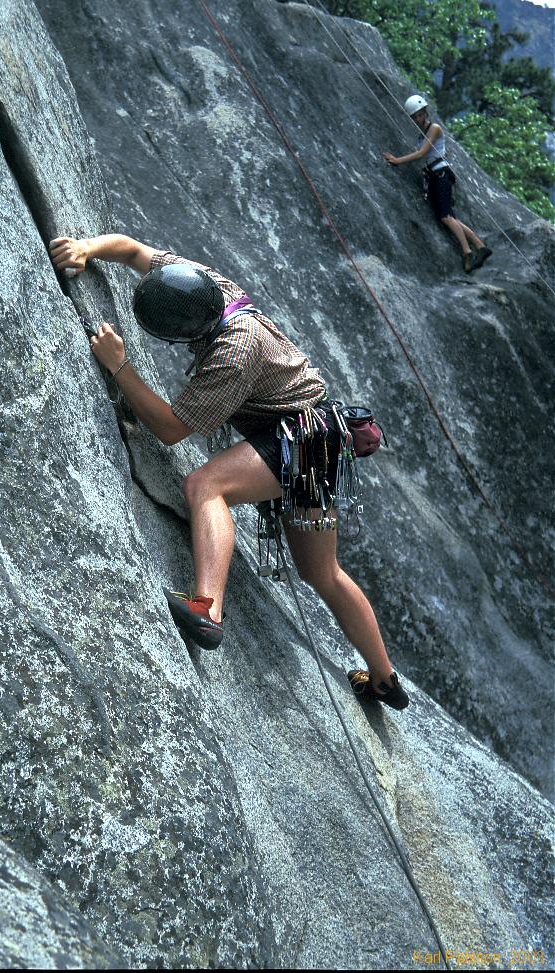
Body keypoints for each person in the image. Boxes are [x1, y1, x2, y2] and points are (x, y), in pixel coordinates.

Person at [48, 233, 409, 710]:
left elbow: (170, 428)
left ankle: (208, 609)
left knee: (206, 486)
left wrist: (120, 367)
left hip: (298, 439)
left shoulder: (232, 355)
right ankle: (383, 679)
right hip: (321, 439)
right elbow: (133, 250)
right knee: (323, 573)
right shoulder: (203, 284)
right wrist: (87, 248)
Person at [383, 95, 492, 274]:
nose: (418, 118)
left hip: (441, 174)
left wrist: (397, 160)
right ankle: (480, 246)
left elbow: (422, 153)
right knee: (450, 217)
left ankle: (467, 251)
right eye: (414, 117)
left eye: (420, 115)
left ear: (425, 112)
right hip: (434, 176)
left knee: (445, 217)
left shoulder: (434, 128)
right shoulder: (422, 135)